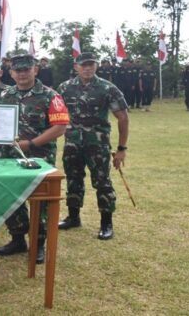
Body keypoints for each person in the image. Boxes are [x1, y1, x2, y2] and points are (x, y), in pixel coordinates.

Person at [0, 54, 69, 263]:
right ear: (11, 73)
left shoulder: (50, 96)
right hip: (8, 156)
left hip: (39, 156)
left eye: (26, 69)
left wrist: (33, 143)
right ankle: (18, 239)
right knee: (10, 197)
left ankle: (38, 244)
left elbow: (60, 127)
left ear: (35, 70)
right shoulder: (5, 95)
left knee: (40, 201)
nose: (22, 74)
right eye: (17, 70)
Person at [56, 52, 129, 240]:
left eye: (91, 64)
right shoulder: (64, 88)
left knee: (102, 182)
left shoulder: (107, 88)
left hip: (97, 144)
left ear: (96, 66)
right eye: (83, 65)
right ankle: (73, 217)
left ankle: (106, 223)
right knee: (73, 179)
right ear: (76, 67)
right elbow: (56, 115)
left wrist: (121, 149)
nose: (88, 68)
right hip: (72, 143)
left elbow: (122, 117)